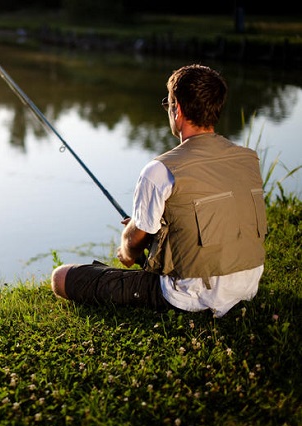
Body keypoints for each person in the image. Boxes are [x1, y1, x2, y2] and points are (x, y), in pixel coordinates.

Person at [51, 64, 267, 317]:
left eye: (169, 104)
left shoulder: (160, 170)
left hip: (191, 297)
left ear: (178, 111)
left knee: (61, 278)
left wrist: (126, 248)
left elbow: (134, 242)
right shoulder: (247, 159)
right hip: (248, 285)